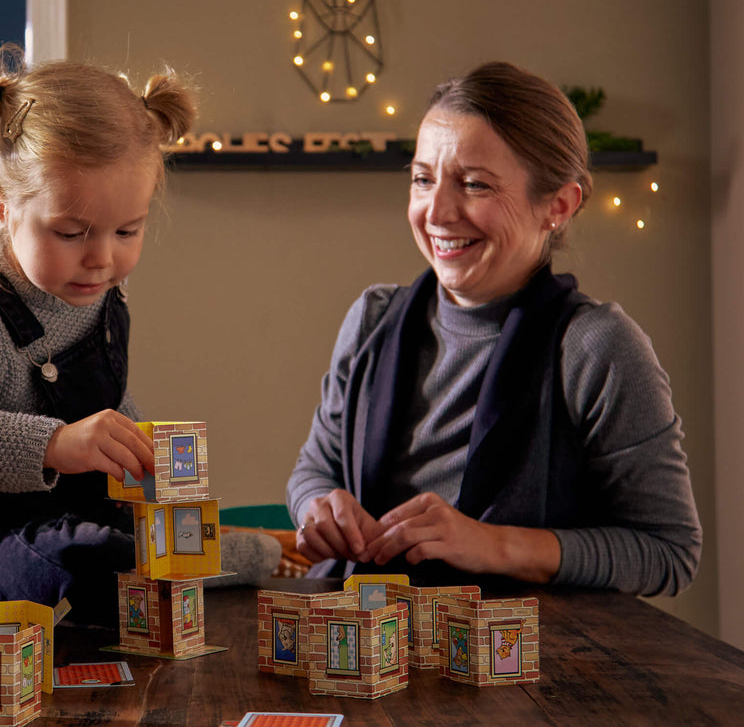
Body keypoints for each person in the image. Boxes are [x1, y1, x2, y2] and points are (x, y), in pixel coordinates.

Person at [286, 62, 702, 597]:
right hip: (365, 646)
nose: (436, 211)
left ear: (558, 205)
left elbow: (668, 552)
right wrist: (319, 505)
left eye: (474, 184)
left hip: (518, 663)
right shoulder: (372, 318)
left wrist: (494, 545)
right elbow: (314, 469)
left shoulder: (597, 348)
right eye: (422, 179)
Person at [0, 43, 196, 626]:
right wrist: (58, 444)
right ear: (0, 201)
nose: (102, 260)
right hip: (0, 554)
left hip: (89, 521)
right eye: (70, 233)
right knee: (94, 555)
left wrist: (135, 443)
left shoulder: (101, 292)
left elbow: (105, 402)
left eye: (127, 231)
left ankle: (248, 553)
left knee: (160, 557)